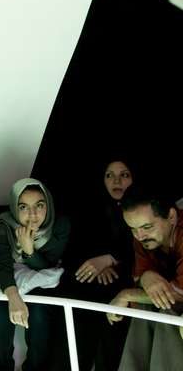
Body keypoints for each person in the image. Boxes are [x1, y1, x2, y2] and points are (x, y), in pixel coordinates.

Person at [61, 157, 137, 371]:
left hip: (125, 279)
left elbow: (140, 247)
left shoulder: (142, 207)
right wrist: (99, 263)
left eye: (124, 175)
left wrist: (110, 259)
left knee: (114, 320)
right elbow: (77, 249)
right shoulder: (89, 208)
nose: (117, 181)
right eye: (109, 175)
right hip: (92, 281)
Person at [0, 178, 70, 371]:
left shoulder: (60, 224)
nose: (32, 214)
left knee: (40, 313)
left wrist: (29, 251)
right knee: (0, 314)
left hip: (43, 283)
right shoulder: (4, 225)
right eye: (24, 207)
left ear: (48, 205)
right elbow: (3, 265)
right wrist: (14, 298)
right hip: (9, 280)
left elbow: (48, 264)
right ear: (15, 208)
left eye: (39, 205)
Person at [106, 184, 183, 370]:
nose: (139, 236)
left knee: (167, 308)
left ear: (171, 216)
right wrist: (145, 276)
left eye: (147, 226)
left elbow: (178, 293)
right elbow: (141, 278)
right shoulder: (144, 236)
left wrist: (125, 295)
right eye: (132, 229)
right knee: (143, 305)